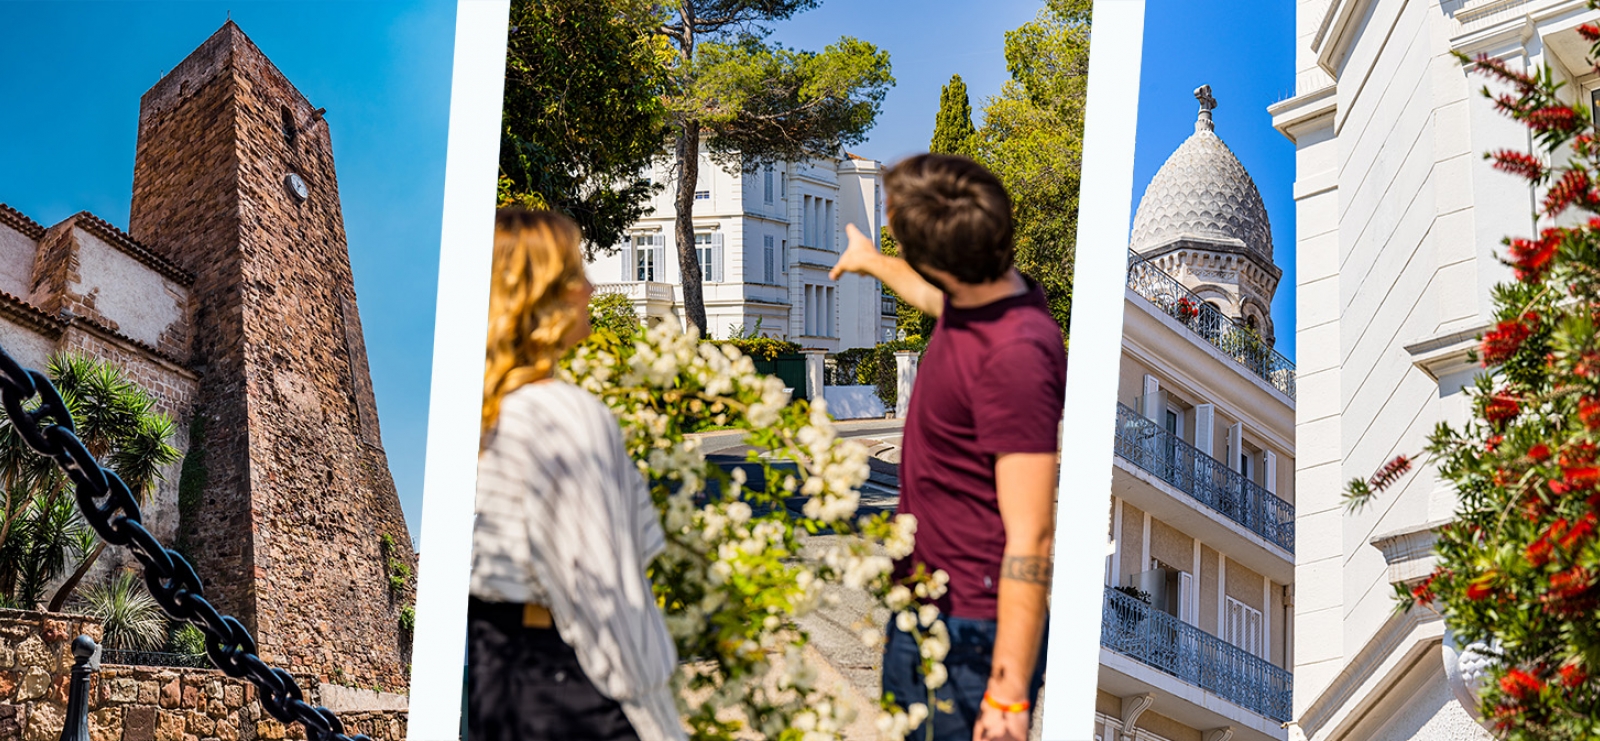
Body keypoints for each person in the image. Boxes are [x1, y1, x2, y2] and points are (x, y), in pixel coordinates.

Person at [831, 154, 1066, 741]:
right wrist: (871, 261)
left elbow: (1033, 535)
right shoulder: (984, 298)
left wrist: (1008, 696)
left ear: (942, 262)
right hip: (928, 604)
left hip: (971, 629)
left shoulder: (1015, 356)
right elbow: (931, 296)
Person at [468, 208, 685, 741]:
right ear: (539, 295)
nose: (590, 287)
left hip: (498, 675)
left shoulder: (484, 412)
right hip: (574, 684)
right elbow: (607, 599)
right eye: (574, 273)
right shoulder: (561, 416)